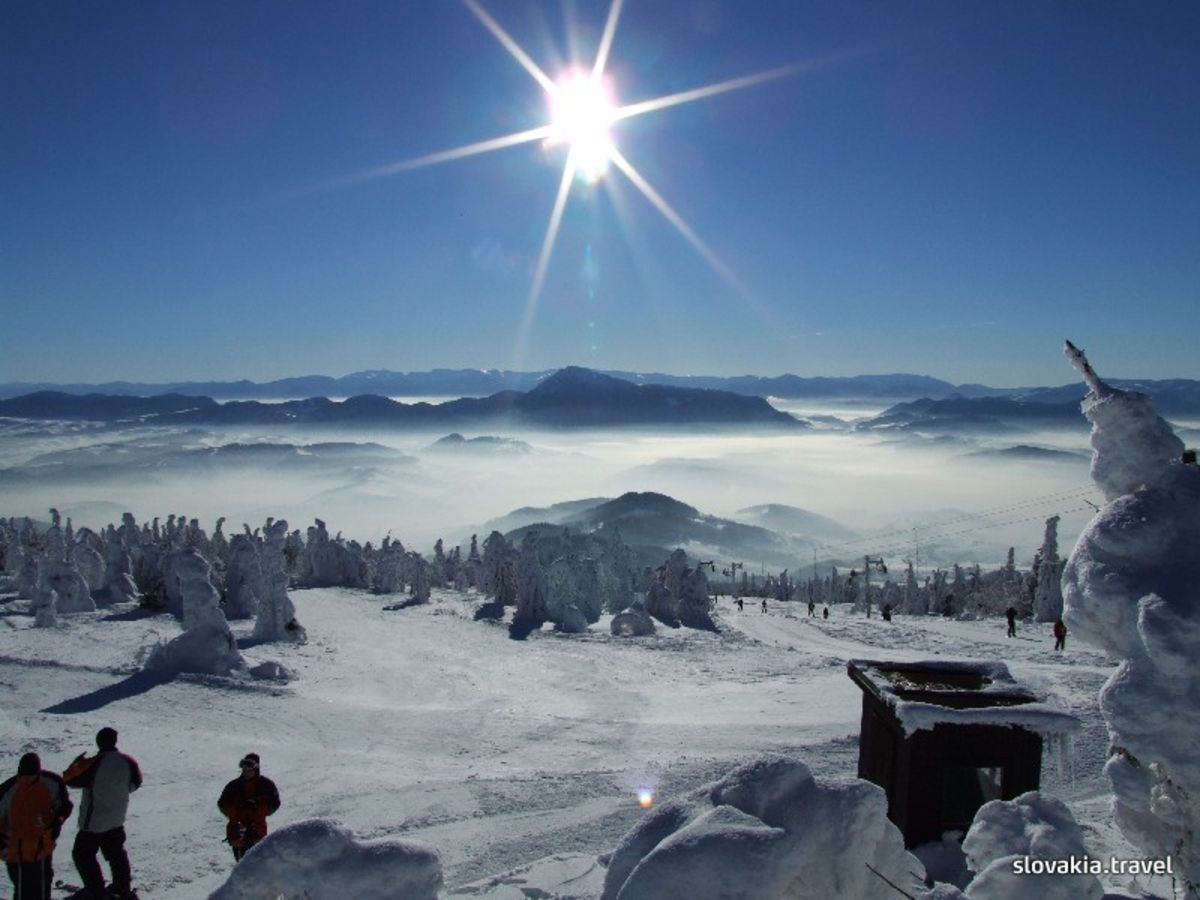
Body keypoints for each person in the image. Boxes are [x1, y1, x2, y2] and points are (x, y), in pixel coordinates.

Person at [64, 727, 141, 900]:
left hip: (94, 821)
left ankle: (95, 890)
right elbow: (136, 783)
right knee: (116, 853)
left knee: (82, 854)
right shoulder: (127, 761)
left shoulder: (94, 762)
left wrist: (76, 764)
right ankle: (122, 888)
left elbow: (69, 779)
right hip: (117, 817)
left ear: (99, 742)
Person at [0, 752, 73, 900]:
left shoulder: (52, 783)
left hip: (42, 848)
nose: (26, 779)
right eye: (24, 776)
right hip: (17, 853)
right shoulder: (7, 790)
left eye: (30, 776)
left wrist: (57, 823)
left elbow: (64, 807)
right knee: (23, 891)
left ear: (38, 773)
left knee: (43, 888)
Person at [218, 754, 280, 861]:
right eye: (244, 769)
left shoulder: (266, 785)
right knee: (241, 862)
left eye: (249, 769)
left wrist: (258, 807)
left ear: (256, 769)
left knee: (256, 862)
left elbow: (274, 804)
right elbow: (222, 804)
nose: (246, 772)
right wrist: (237, 808)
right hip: (237, 832)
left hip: (257, 832)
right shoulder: (233, 786)